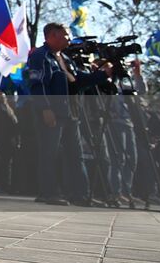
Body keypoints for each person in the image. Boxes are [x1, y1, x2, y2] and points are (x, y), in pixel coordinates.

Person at [25, 22, 105, 205]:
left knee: (75, 154)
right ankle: (48, 192)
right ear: (52, 36)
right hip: (53, 112)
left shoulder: (65, 59)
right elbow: (37, 83)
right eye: (65, 35)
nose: (69, 39)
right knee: (49, 153)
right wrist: (46, 108)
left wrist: (101, 75)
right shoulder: (40, 56)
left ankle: (80, 194)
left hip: (71, 112)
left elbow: (77, 81)